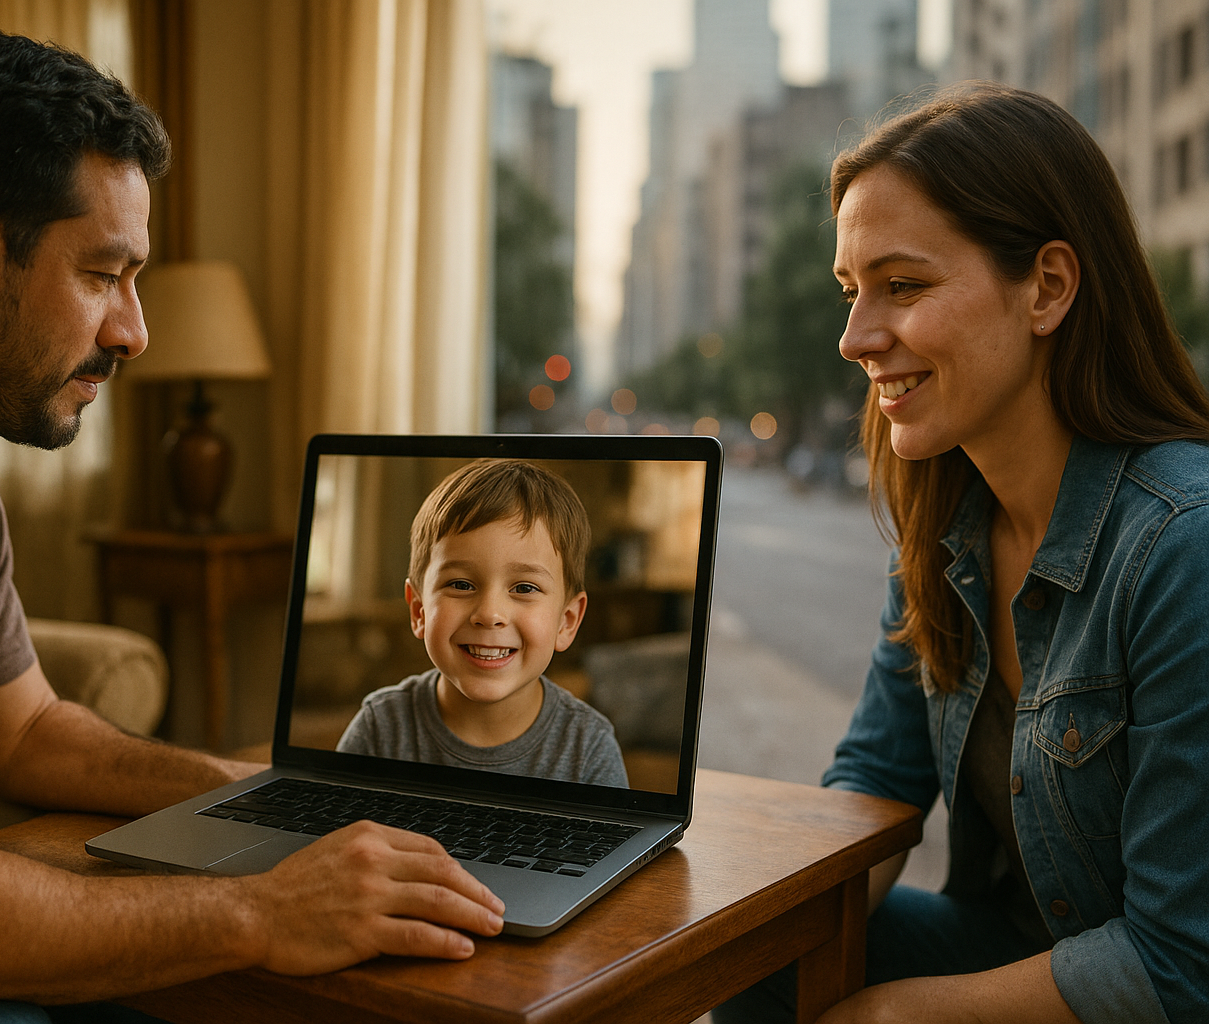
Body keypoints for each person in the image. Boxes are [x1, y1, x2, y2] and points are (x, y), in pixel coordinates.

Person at [0, 30, 503, 1023]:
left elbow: (23, 730)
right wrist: (260, 910)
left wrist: (260, 795)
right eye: (105, 272)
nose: (134, 331)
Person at [716, 84, 1209, 1024]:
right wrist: (717, 921)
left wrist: (896, 1014)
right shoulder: (946, 528)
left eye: (902, 286)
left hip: (1157, 980)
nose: (856, 338)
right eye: (851, 290)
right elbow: (874, 780)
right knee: (753, 954)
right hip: (1025, 946)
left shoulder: (1184, 545)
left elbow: (1182, 963)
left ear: (1048, 287)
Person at [336, 459, 629, 788]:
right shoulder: (380, 728)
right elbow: (339, 835)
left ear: (567, 621)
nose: (489, 614)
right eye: (461, 585)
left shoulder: (588, 748)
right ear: (419, 610)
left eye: (524, 588)